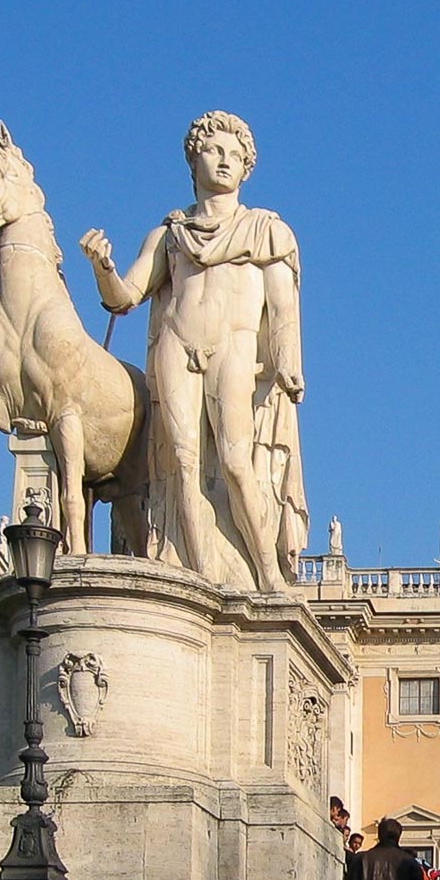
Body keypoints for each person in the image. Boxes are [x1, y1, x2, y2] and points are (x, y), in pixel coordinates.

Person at [80, 111, 309, 594]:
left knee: (234, 460)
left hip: (235, 345)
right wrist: (103, 268)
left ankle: (266, 572)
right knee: (180, 462)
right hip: (176, 344)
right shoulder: (170, 234)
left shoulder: (266, 231)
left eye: (235, 155)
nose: (224, 162)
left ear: (247, 167)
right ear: (194, 159)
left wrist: (289, 363)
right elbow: (125, 296)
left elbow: (283, 306)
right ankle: (198, 577)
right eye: (214, 151)